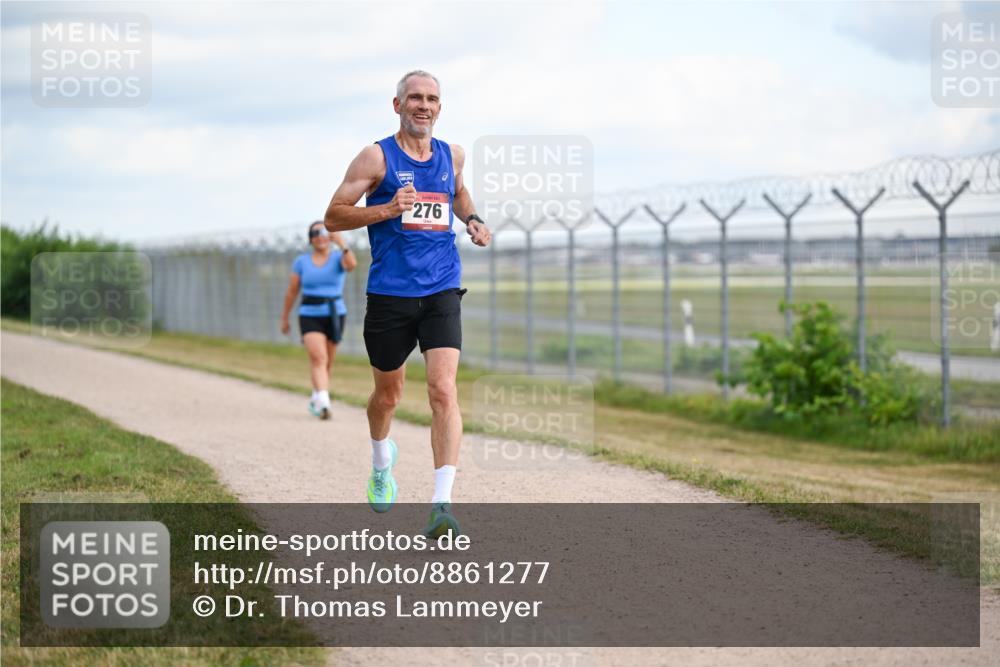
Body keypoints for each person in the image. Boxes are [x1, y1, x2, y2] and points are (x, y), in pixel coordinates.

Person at [324, 70, 491, 537]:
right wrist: (387, 209)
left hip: (441, 289)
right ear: (397, 105)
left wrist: (473, 219)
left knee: (443, 391)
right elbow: (333, 215)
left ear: (440, 107)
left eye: (432, 99)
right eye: (414, 98)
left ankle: (442, 505)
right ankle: (381, 461)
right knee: (388, 396)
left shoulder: (451, 155)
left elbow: (457, 193)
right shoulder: (376, 157)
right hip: (390, 295)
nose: (424, 105)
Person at [280, 221, 357, 419]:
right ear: (310, 238)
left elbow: (351, 266)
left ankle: (317, 396)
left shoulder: (339, 257)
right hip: (309, 314)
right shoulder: (301, 262)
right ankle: (324, 403)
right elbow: (292, 291)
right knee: (318, 358)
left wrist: (343, 244)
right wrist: (285, 318)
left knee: (328, 362)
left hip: (335, 313)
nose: (319, 236)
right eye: (315, 232)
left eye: (324, 231)